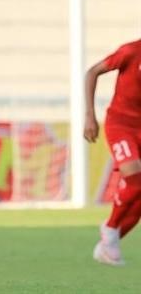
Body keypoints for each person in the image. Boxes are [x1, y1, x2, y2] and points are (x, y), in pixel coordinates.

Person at [84, 39, 141, 266]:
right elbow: (92, 72)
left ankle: (108, 244)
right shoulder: (131, 52)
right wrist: (90, 115)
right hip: (121, 125)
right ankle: (109, 230)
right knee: (134, 177)